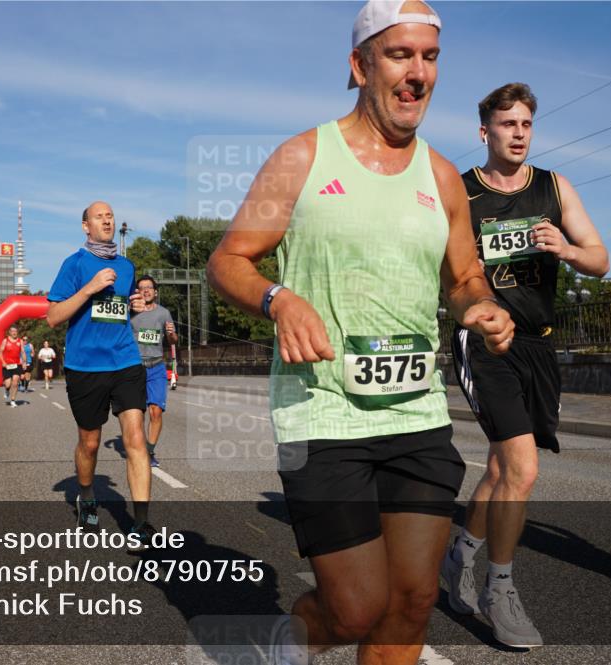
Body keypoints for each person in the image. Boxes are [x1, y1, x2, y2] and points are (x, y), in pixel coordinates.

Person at [206, 3, 515, 663]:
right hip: (323, 414)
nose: (418, 74)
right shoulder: (302, 157)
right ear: (359, 66)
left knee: (410, 603)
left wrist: (481, 306)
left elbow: (463, 277)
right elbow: (227, 260)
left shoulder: (441, 178)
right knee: (354, 608)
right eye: (400, 55)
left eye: (429, 58)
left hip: (417, 412)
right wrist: (278, 298)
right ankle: (289, 640)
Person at [441, 82, 609, 649]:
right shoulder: (460, 193)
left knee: (499, 471)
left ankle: (457, 557)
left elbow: (601, 260)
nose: (518, 134)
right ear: (484, 130)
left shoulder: (554, 188)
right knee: (522, 469)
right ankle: (500, 590)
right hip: (486, 342)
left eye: (526, 125)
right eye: (507, 124)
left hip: (539, 343)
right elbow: (444, 274)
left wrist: (564, 248)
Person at [46, 201, 154, 546]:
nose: (107, 220)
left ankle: (140, 524)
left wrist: (133, 307)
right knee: (90, 443)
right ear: (85, 226)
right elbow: (53, 317)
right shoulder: (74, 264)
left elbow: (119, 311)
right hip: (85, 366)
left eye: (110, 216)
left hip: (125, 360)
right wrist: (90, 288)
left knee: (136, 437)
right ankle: (88, 496)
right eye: (99, 216)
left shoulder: (126, 266)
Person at [130, 275, 178, 468]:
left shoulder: (164, 313)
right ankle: (137, 446)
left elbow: (173, 340)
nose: (146, 290)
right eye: (142, 288)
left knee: (156, 412)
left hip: (157, 366)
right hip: (135, 367)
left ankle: (149, 451)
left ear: (155, 292)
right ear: (137, 292)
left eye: (149, 287)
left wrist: (171, 333)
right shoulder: (130, 313)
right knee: (137, 414)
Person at [0, 326, 25, 407]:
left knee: (15, 383)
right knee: (8, 384)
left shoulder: (20, 341)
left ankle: (13, 400)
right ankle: (7, 390)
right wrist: (3, 362)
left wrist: (24, 362)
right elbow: (0, 352)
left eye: (15, 331)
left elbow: (23, 352)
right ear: (9, 332)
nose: (14, 333)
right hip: (7, 365)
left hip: (17, 364)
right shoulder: (5, 340)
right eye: (12, 331)